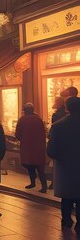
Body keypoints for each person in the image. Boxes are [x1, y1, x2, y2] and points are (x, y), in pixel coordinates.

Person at [47, 96, 80, 232]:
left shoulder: (58, 126)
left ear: (67, 108)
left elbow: (51, 151)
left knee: (66, 197)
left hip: (65, 168)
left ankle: (66, 221)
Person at [15, 103, 47, 193]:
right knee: (40, 166)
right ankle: (43, 186)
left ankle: (33, 182)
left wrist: (20, 138)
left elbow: (18, 133)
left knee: (28, 164)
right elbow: (43, 132)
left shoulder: (22, 120)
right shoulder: (38, 119)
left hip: (27, 146)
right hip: (39, 146)